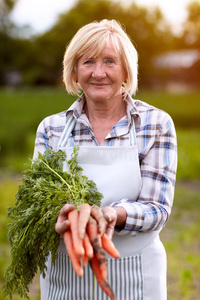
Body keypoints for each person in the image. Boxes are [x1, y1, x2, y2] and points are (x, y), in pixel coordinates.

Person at [33, 19, 177, 300]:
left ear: (126, 70)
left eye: (110, 61)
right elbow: (36, 206)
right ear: (74, 70)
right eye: (88, 62)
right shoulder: (51, 129)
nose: (98, 73)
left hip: (135, 274)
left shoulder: (155, 123)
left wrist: (113, 214)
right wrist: (59, 220)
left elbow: (157, 208)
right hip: (67, 273)